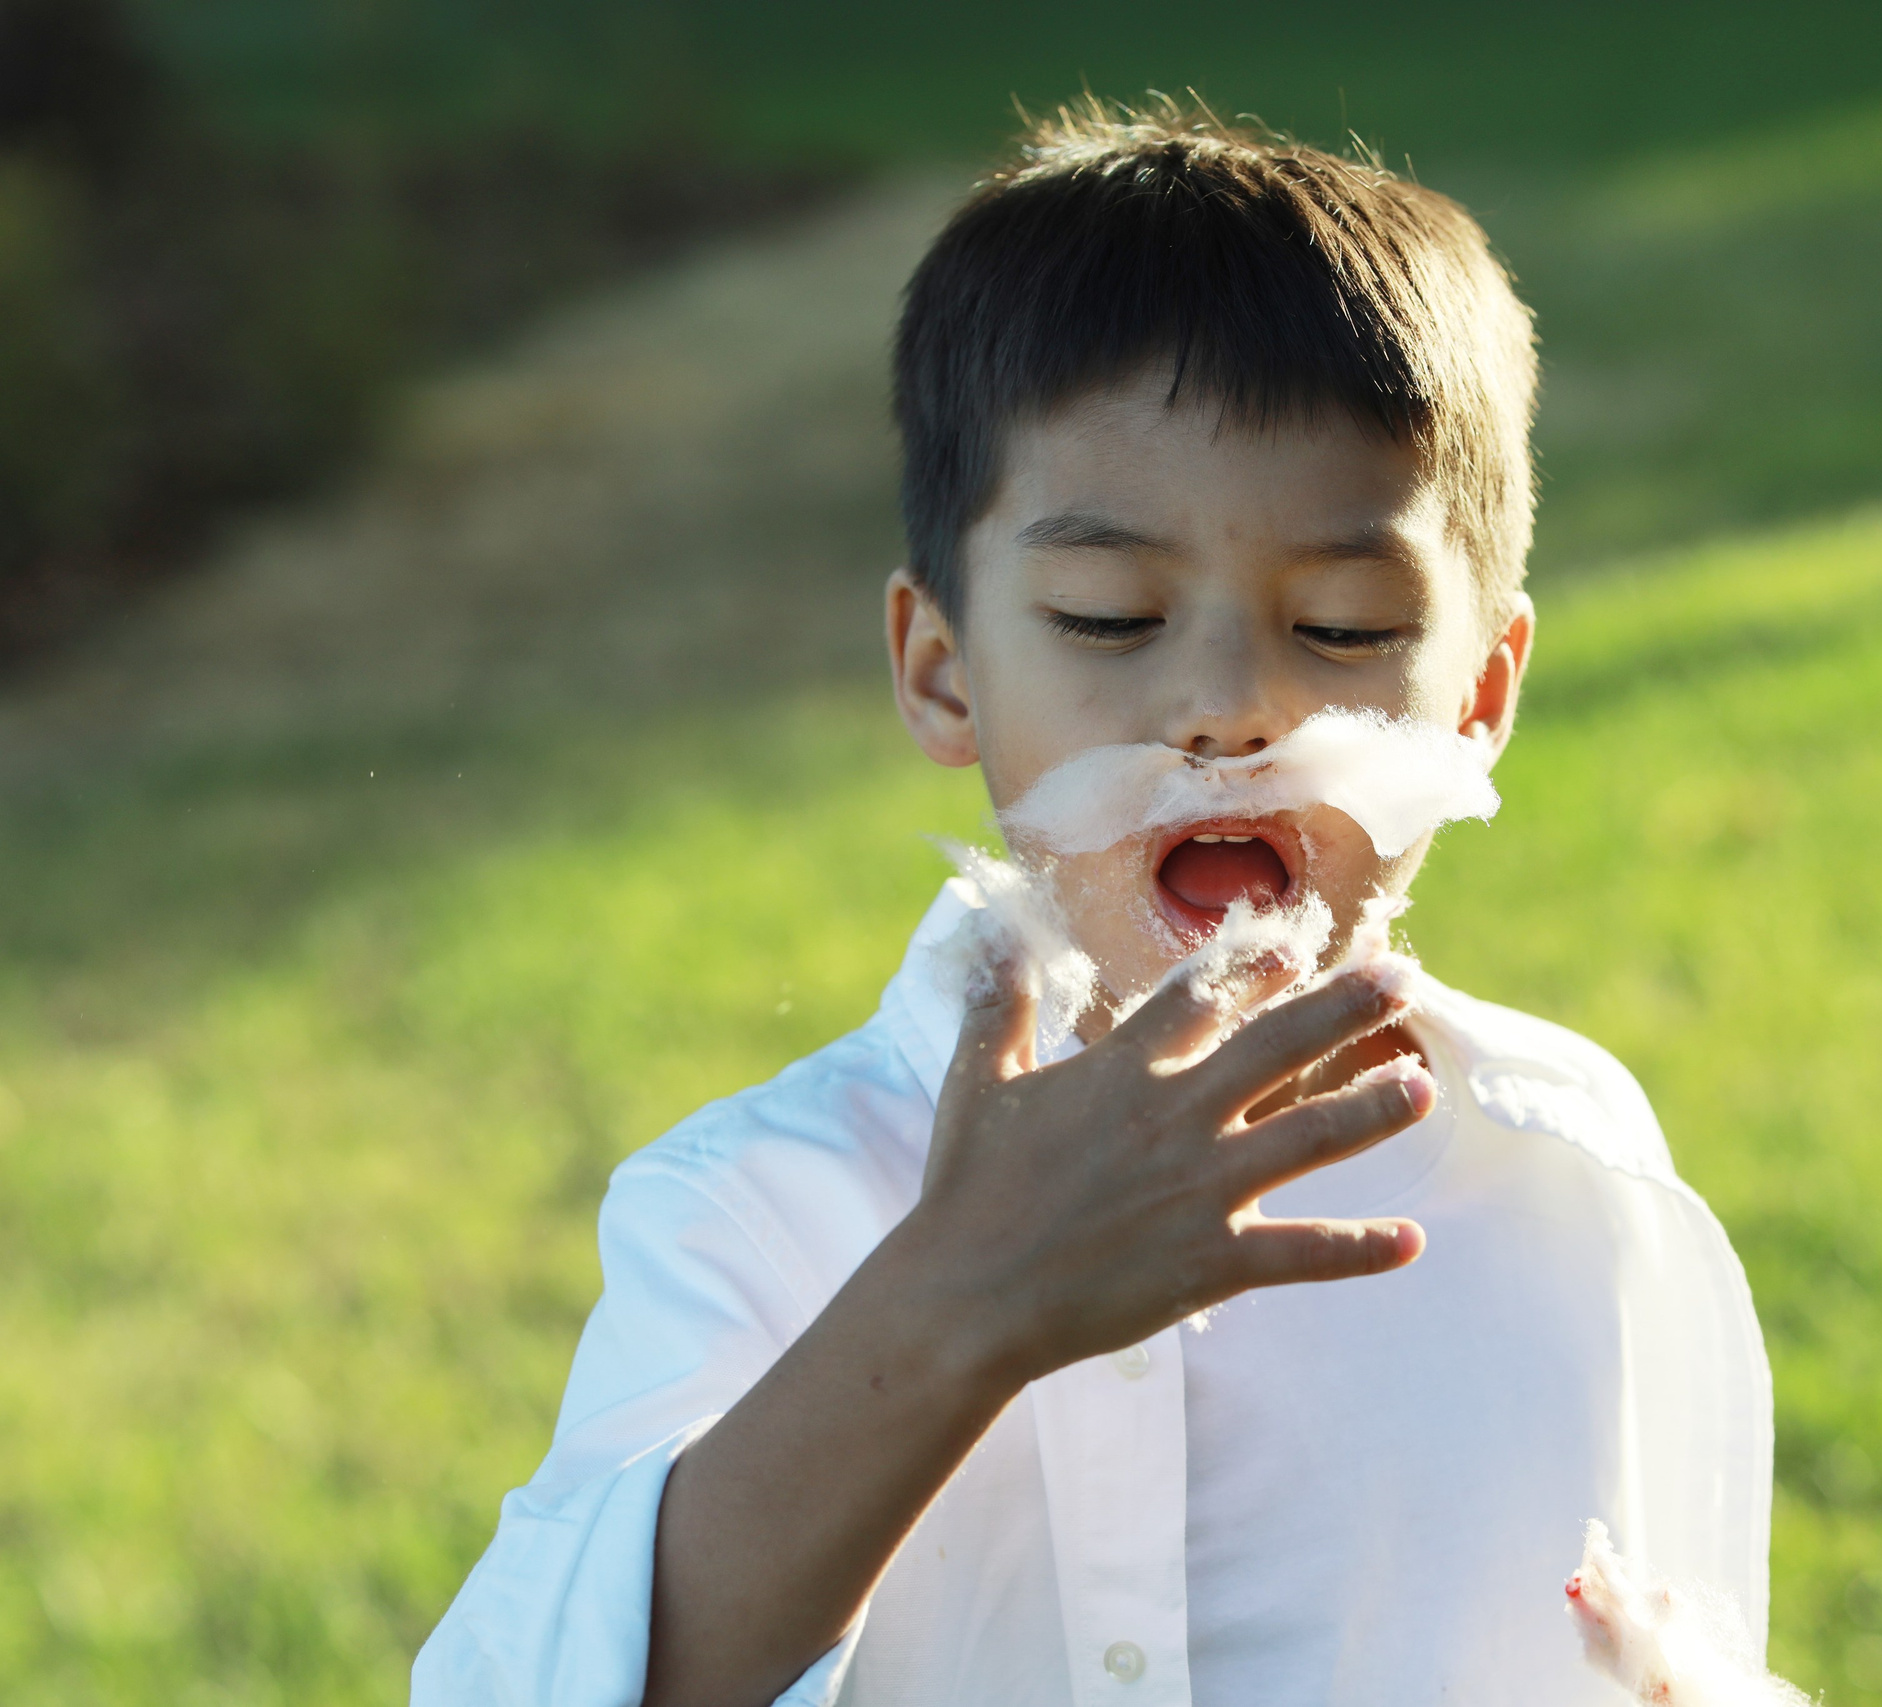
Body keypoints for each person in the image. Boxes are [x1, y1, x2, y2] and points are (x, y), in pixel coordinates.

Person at [413, 99, 1772, 1707]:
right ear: (944, 674)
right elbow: (552, 1678)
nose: (1227, 708)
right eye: (1111, 616)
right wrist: (960, 1303)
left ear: (1480, 699)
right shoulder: (766, 1206)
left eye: (1343, 628)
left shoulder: (1564, 1173)